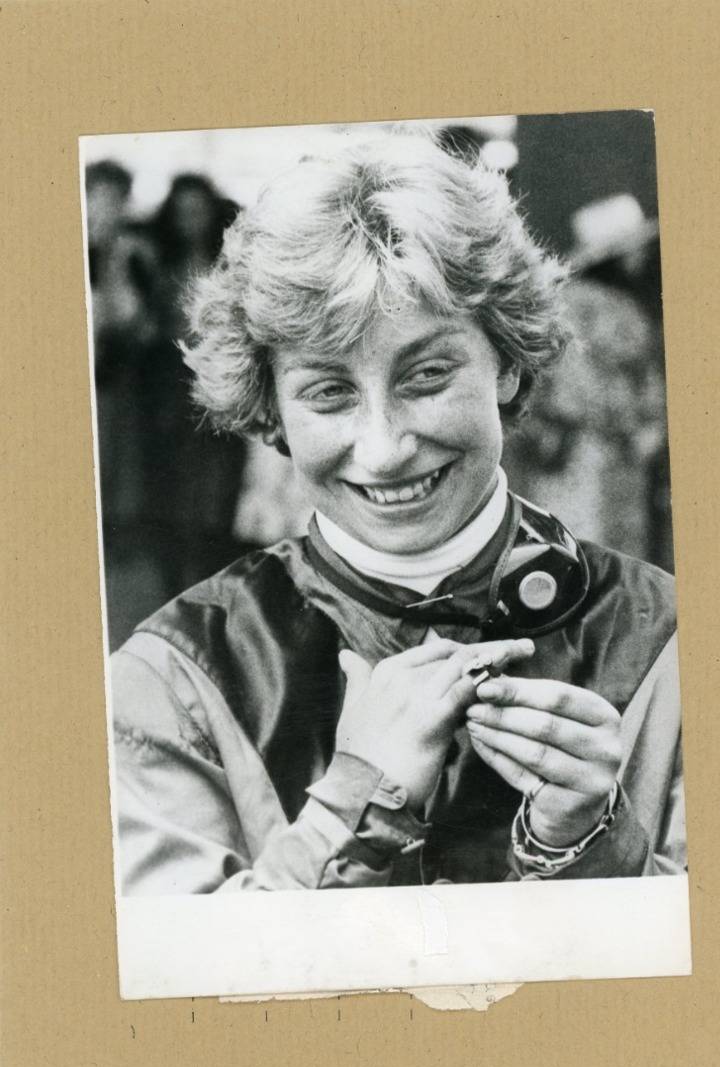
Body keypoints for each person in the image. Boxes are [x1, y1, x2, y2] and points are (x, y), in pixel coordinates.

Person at [110, 131, 684, 895]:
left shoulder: (671, 646)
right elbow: (172, 999)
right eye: (328, 392)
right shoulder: (173, 680)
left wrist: (589, 846)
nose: (381, 451)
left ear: (508, 363)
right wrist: (351, 803)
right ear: (270, 411)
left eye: (427, 375)